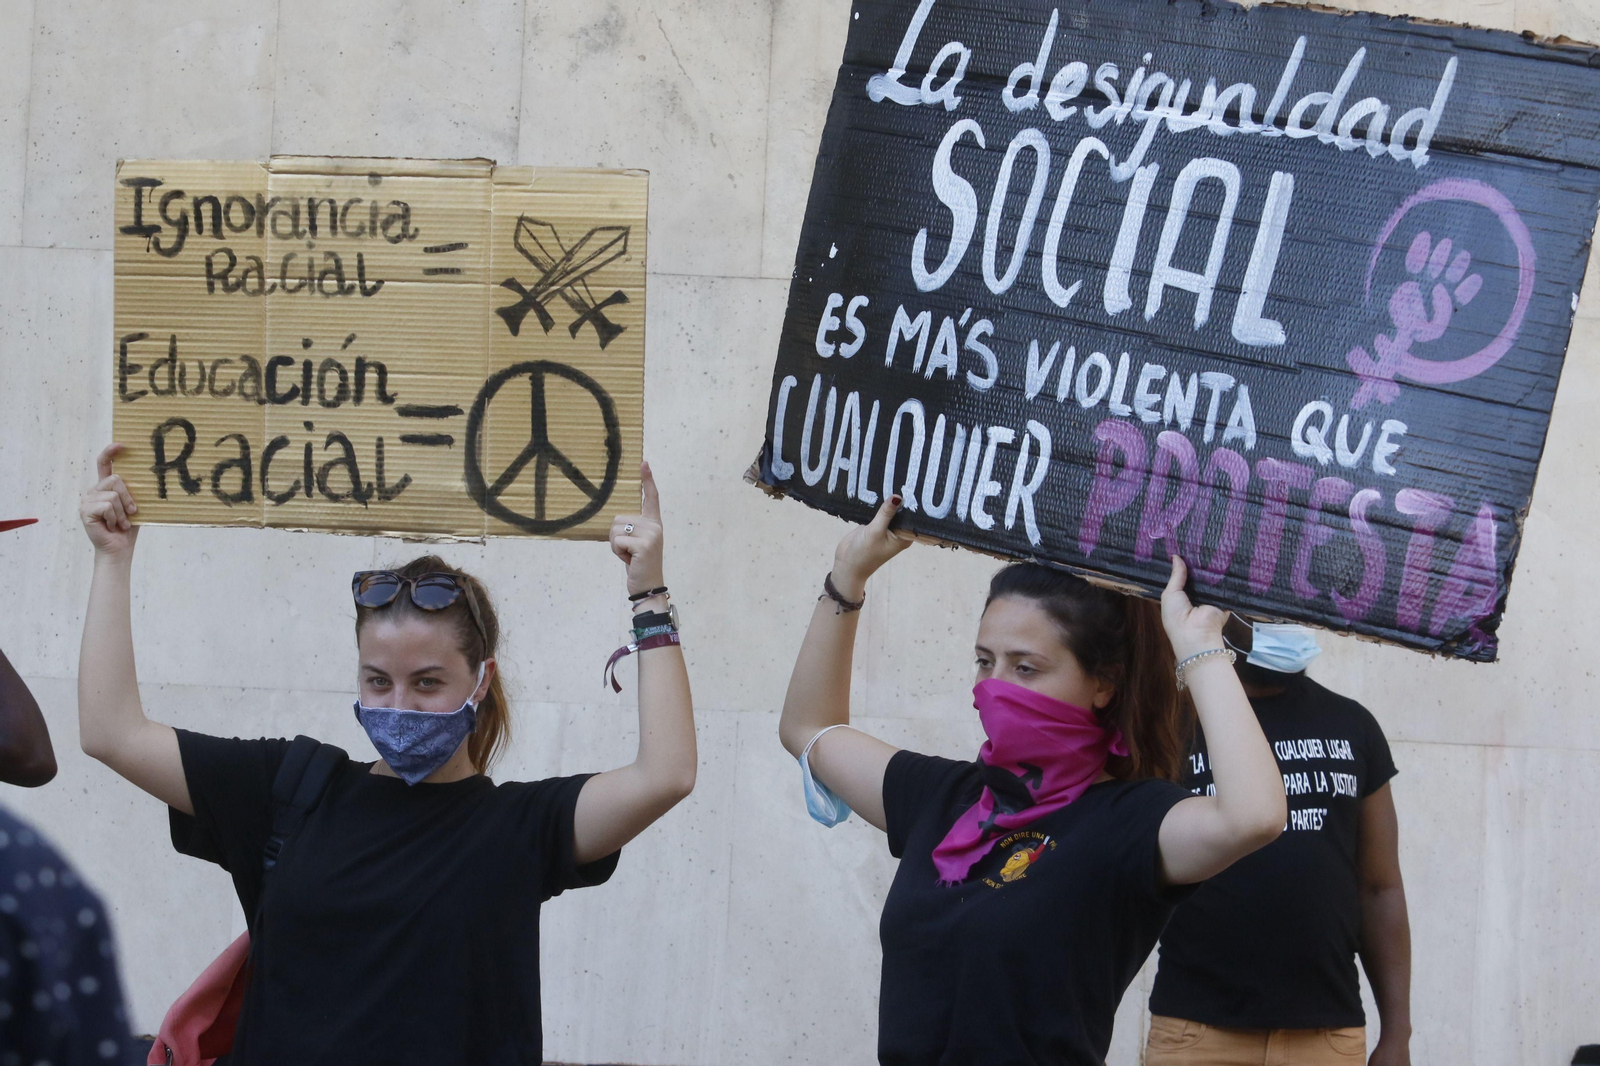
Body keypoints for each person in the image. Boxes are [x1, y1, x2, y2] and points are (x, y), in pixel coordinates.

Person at [76, 443, 697, 1065]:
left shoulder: (519, 828)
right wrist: (112, 557)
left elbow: (665, 775)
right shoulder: (288, 790)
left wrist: (648, 594)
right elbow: (112, 732)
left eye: (427, 682)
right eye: (378, 680)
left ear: (480, 681)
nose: (399, 704)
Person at [778, 496, 1288, 1066]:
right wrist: (847, 577)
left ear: (1103, 684)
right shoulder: (943, 797)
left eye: (1026, 667)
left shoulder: (1131, 821)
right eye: (983, 661)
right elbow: (810, 729)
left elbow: (1254, 816)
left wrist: (1200, 649)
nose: (996, 686)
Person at [1146, 618, 1411, 1066]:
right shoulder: (1173, 725)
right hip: (1197, 1033)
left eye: (1292, 614)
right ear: (1222, 616)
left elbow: (1380, 887)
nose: (1283, 627)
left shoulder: (1353, 725)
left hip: (1328, 1037)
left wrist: (1397, 1035)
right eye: (1266, 614)